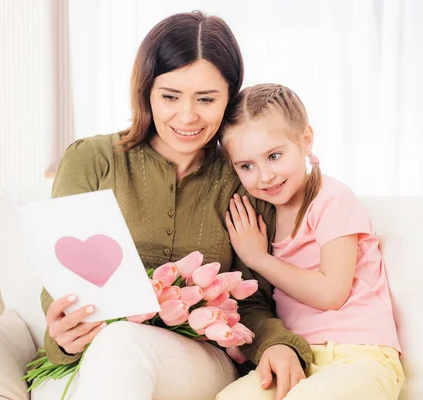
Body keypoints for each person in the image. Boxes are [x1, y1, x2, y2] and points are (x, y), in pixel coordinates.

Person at [34, 13, 313, 400]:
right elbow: (61, 278)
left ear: (229, 97)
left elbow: (251, 298)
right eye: (169, 96)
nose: (187, 116)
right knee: (111, 347)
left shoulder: (243, 178)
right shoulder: (91, 159)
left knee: (121, 342)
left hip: (195, 361)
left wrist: (275, 343)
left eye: (206, 99)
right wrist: (64, 334)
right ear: (146, 92)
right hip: (85, 358)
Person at [216, 83, 405, 399]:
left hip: (361, 355)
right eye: (246, 166)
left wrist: (259, 258)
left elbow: (332, 292)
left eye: (274, 156)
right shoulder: (265, 216)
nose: (264, 176)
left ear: (305, 139)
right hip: (300, 355)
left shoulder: (332, 200)